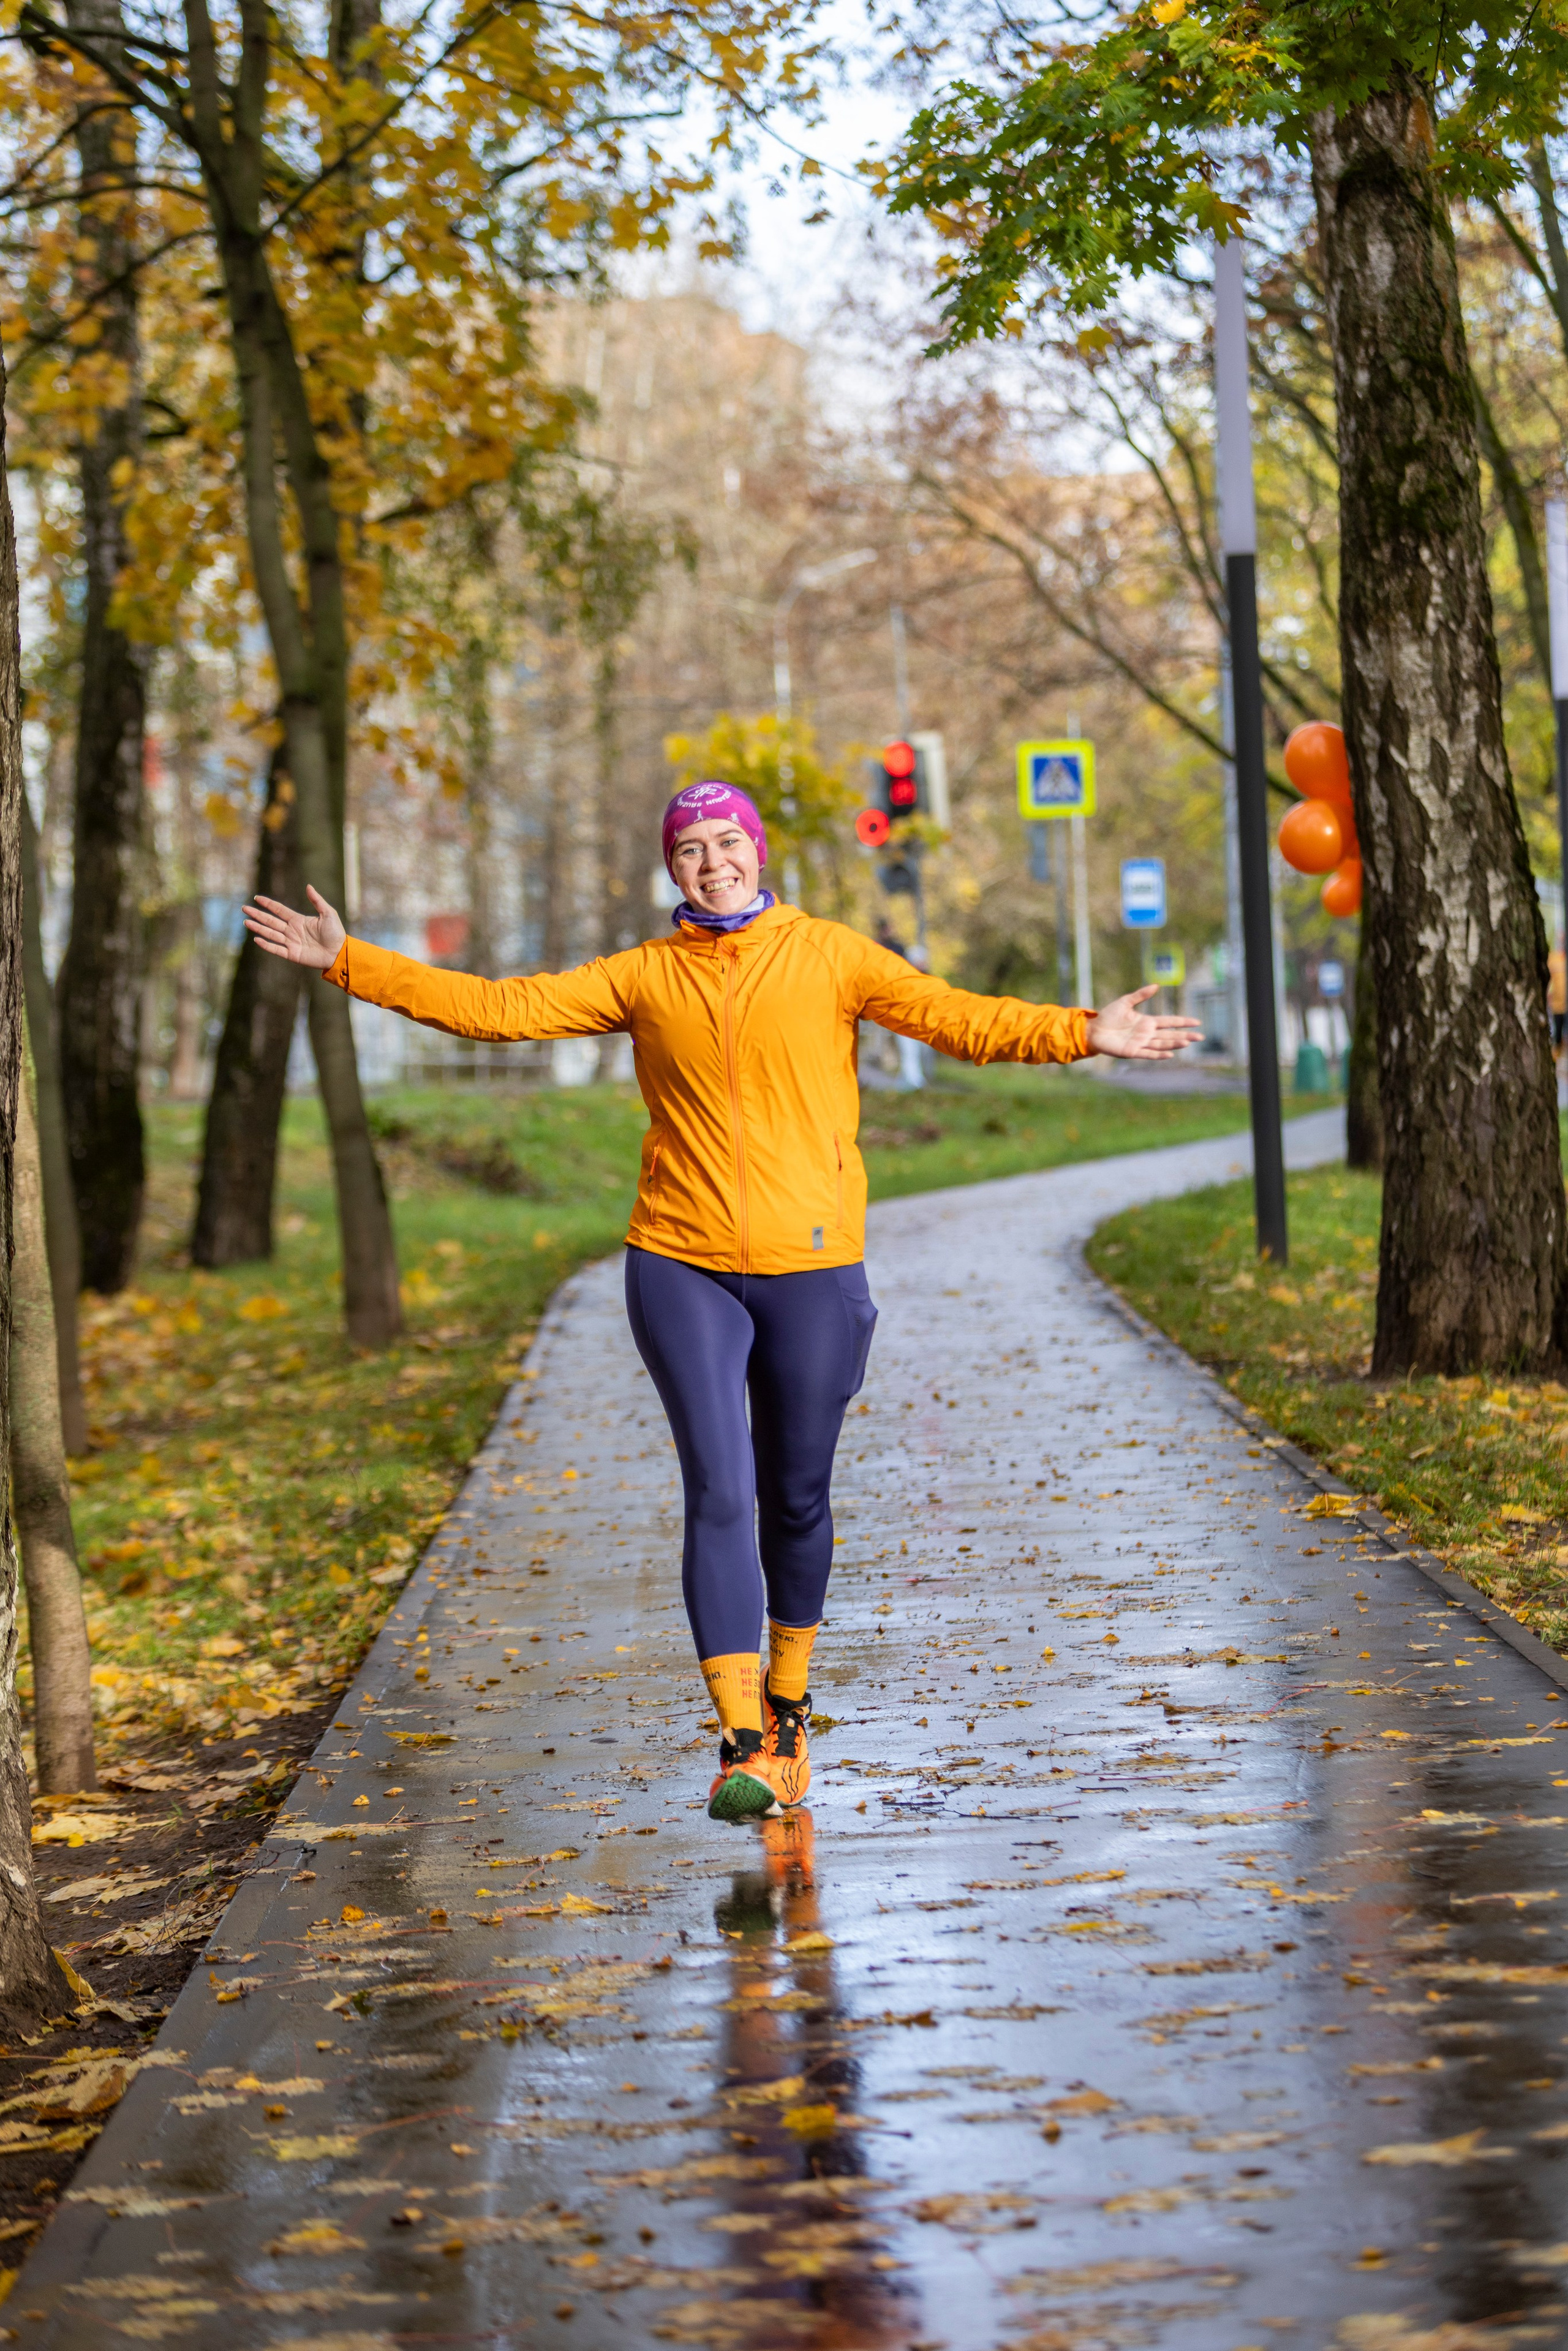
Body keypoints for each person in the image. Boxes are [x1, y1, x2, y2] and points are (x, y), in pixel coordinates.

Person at [243, 779, 1200, 1823]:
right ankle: (742, 1737)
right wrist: (349, 959)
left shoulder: (831, 955)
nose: (710, 861)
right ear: (673, 869)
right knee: (719, 1489)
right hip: (680, 1260)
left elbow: (953, 1017)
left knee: (797, 1497)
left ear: (757, 850)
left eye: (725, 841)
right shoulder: (644, 976)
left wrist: (1079, 1032)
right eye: (689, 849)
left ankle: (789, 1706)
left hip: (814, 1265)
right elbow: (499, 1008)